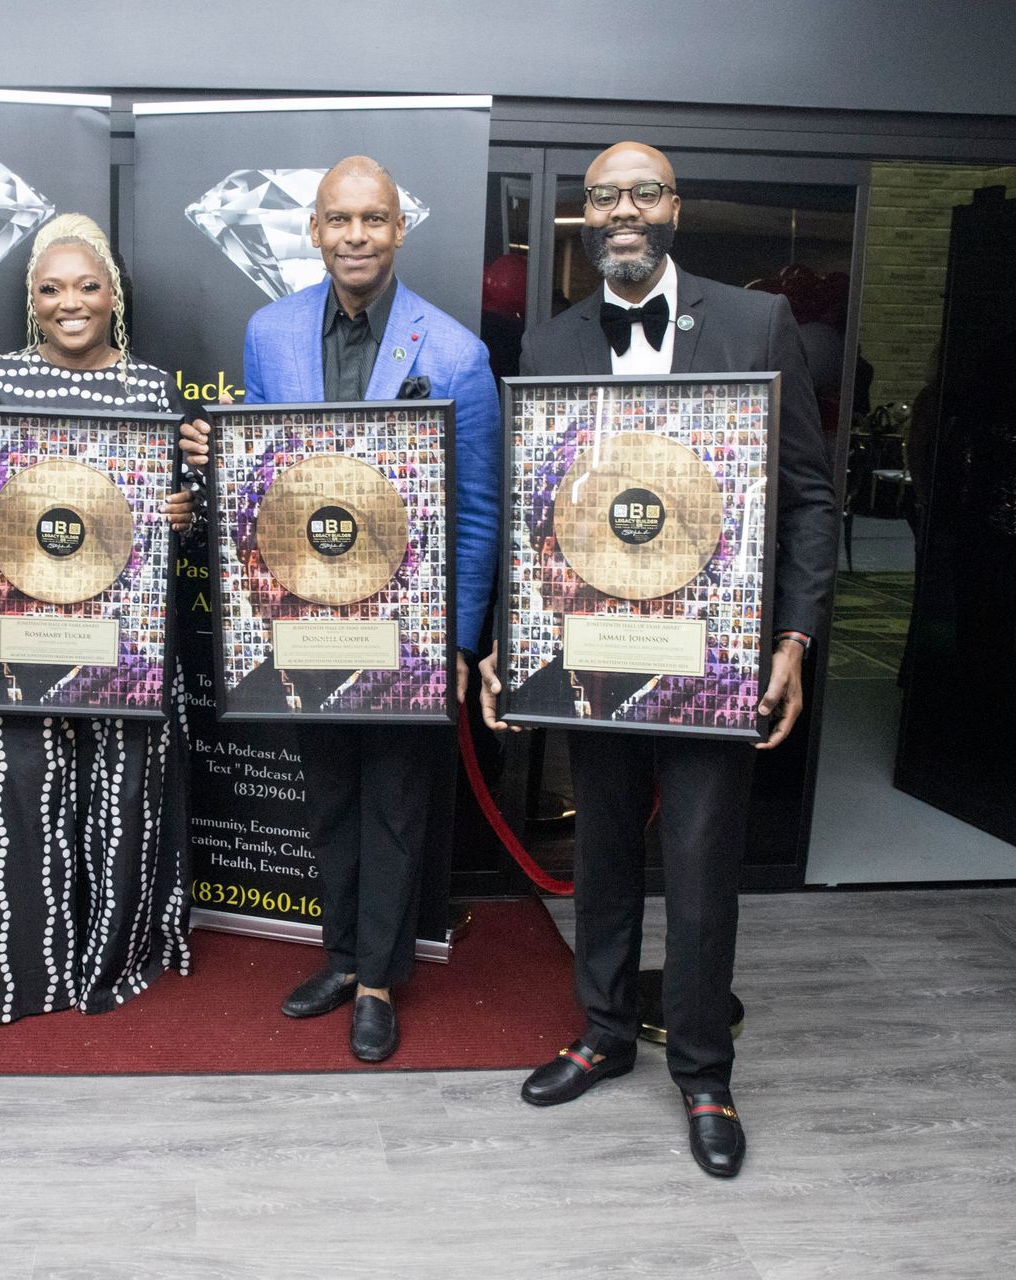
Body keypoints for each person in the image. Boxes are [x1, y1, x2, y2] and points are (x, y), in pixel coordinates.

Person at [479, 141, 834, 1177]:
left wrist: (795, 637)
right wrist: (507, 639)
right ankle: (602, 1031)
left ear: (675, 207)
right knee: (600, 853)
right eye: (604, 197)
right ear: (584, 218)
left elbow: (810, 497)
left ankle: (706, 1071)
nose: (624, 210)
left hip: (712, 652)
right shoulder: (549, 342)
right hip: (593, 644)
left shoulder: (757, 322)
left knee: (702, 863)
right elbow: (531, 510)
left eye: (644, 192)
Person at [188, 156, 501, 1062]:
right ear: (315, 230)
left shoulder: (455, 353)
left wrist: (457, 643)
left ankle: (377, 982)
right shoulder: (271, 332)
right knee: (327, 797)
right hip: (304, 615)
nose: (355, 236)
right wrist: (222, 455)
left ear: (399, 228)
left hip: (407, 628)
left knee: (394, 804)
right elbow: (264, 479)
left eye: (373, 219)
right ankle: (341, 955)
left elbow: (478, 511)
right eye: (339, 219)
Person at [0, 213, 200, 1024]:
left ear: (114, 295)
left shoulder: (153, 389)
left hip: (124, 635)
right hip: (16, 633)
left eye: (87, 286)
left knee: (122, 794)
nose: (69, 302)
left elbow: (191, 508)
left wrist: (185, 511)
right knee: (16, 792)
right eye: (51, 289)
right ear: (31, 301)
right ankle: (19, 972)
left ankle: (112, 960)